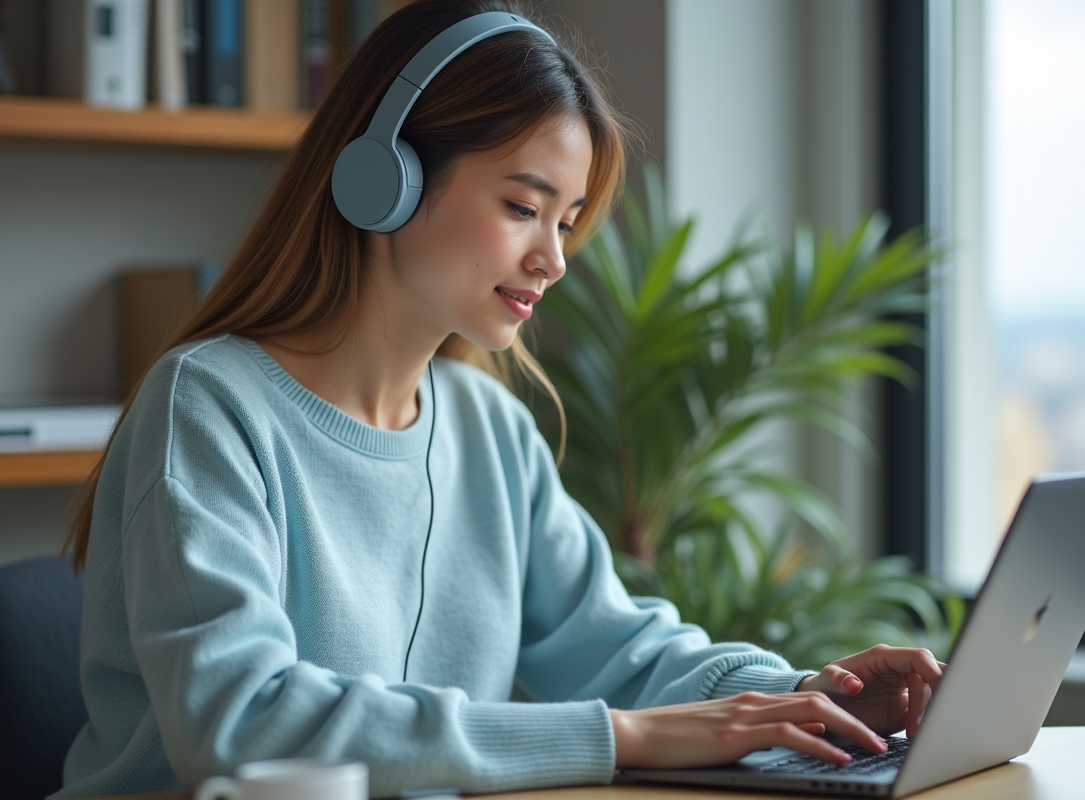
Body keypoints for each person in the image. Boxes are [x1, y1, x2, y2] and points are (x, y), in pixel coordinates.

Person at [54, 1, 945, 797]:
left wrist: (800, 697)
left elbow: (619, 646)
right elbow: (240, 720)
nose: (554, 260)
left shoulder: (487, 428)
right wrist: (622, 739)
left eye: (566, 223)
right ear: (385, 177)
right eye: (524, 207)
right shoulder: (209, 405)